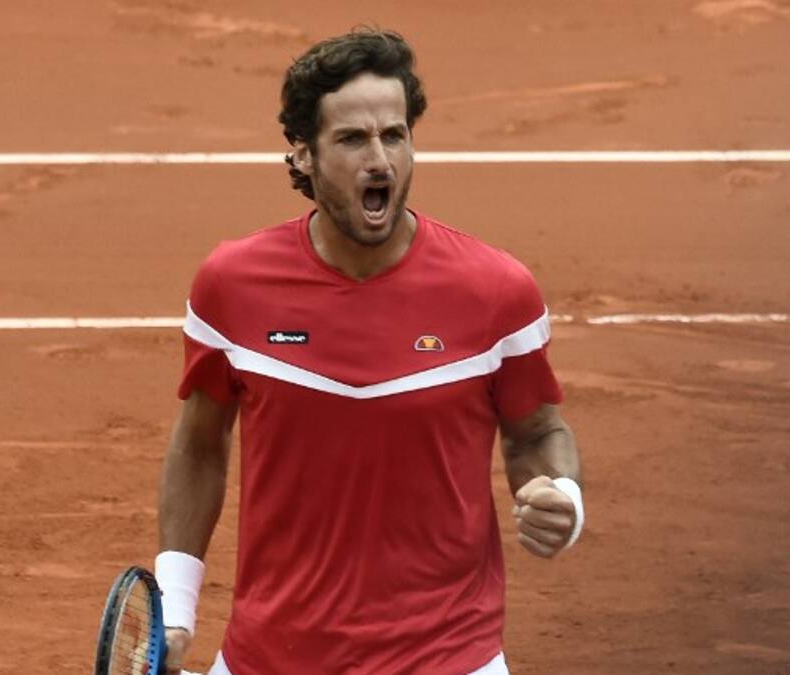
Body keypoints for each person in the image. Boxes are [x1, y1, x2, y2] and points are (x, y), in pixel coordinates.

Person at [155, 28, 583, 675]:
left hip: (448, 656)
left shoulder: (496, 291)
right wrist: (174, 607)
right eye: (353, 139)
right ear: (303, 155)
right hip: (272, 655)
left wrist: (563, 497)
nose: (380, 160)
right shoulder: (233, 285)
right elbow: (199, 445)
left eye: (395, 135)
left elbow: (538, 432)